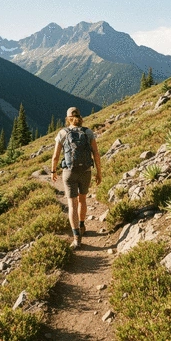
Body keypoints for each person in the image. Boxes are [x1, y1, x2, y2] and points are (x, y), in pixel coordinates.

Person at [51, 107, 102, 249]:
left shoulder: (62, 133)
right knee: (82, 200)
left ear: (68, 118)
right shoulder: (88, 132)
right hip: (86, 171)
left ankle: (76, 238)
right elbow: (96, 154)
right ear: (80, 117)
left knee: (72, 204)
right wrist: (99, 172)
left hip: (69, 172)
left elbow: (55, 156)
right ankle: (81, 225)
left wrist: (53, 171)